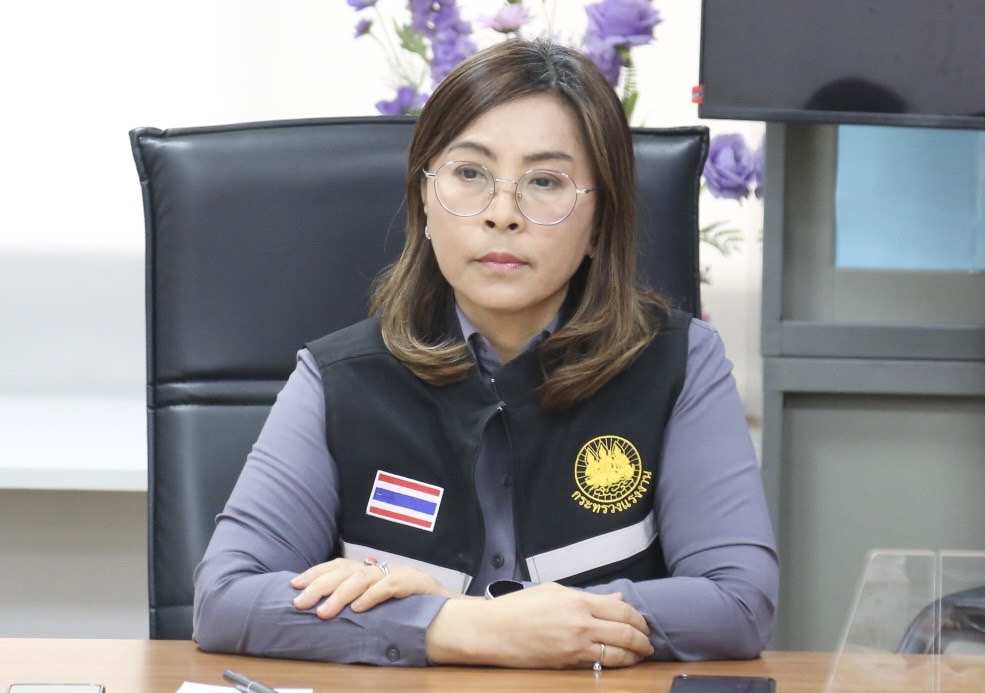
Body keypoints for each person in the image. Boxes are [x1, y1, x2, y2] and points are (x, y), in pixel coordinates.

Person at [193, 37, 778, 670]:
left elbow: (738, 602)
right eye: (470, 174)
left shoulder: (677, 363)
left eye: (545, 181)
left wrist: (506, 618)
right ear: (424, 198)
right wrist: (460, 625)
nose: (503, 214)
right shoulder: (338, 380)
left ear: (601, 222)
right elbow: (225, 600)